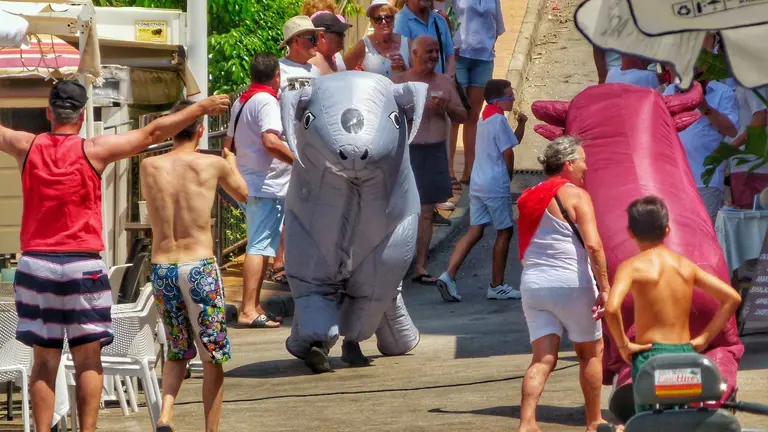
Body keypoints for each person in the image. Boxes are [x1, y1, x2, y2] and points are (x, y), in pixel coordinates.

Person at [0, 80, 228, 432]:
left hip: (37, 265)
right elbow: (152, 133)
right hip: (83, 265)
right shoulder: (94, 149)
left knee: (43, 362)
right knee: (88, 360)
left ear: (48, 113)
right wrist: (200, 108)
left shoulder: (26, 146)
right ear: (82, 116)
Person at [140, 100, 248, 432]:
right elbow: (243, 194)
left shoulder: (149, 166)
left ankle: (166, 415)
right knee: (212, 355)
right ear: (200, 130)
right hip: (199, 268)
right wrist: (232, 162)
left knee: (176, 348)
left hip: (163, 268)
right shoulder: (212, 164)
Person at [603, 195, 742, 414]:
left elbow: (611, 309)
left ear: (630, 232)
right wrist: (705, 338)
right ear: (667, 230)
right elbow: (732, 298)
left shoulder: (630, 267)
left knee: (650, 419)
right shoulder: (685, 266)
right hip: (685, 353)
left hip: (651, 355)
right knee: (683, 416)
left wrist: (623, 345)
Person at [515, 136, 610, 432]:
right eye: (582, 161)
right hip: (571, 282)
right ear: (568, 164)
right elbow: (593, 246)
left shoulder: (528, 195)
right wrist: (605, 287)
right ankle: (594, 421)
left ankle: (527, 422)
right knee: (590, 353)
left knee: (542, 359)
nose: (586, 167)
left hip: (533, 284)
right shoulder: (576, 195)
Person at [436, 79, 525, 301]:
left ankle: (448, 275)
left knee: (475, 230)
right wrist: (508, 177)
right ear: (497, 100)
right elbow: (508, 152)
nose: (513, 98)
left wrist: (521, 124)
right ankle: (497, 285)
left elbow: (511, 141)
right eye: (509, 95)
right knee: (505, 231)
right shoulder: (499, 120)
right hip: (494, 185)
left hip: (478, 183)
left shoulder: (485, 119)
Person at [224, 53, 294, 329]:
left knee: (262, 246)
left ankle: (253, 306)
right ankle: (247, 310)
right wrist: (300, 162)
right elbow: (270, 141)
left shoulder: (242, 100)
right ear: (277, 75)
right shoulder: (266, 101)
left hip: (250, 183)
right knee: (258, 247)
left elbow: (228, 144)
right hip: (265, 186)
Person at [393, 36, 467, 285]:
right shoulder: (400, 82)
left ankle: (420, 265)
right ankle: (396, 264)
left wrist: (447, 107)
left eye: (437, 51)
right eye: (429, 52)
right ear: (414, 53)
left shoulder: (444, 82)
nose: (434, 56)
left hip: (434, 152)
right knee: (402, 212)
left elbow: (463, 116)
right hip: (407, 153)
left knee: (426, 211)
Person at [663, 33, 738, 223]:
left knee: (706, 233)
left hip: (706, 182)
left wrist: (704, 106)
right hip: (674, 182)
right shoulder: (671, 91)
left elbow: (732, 130)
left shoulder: (723, 93)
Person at [448, 0, 506, 186]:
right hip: (459, 57)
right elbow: (446, 17)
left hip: (484, 59)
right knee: (455, 116)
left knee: (473, 116)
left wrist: (488, 45)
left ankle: (470, 170)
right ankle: (449, 171)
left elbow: (497, 26)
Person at [343, 0, 410, 78]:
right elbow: (341, 71)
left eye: (388, 17)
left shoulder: (406, 43)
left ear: (394, 19)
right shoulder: (364, 45)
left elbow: (419, 77)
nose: (384, 22)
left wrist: (405, 68)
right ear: (371, 22)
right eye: (378, 19)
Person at [393, 0, 456, 77]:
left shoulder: (439, 20)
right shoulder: (400, 21)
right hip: (415, 83)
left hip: (441, 83)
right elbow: (401, 63)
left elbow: (450, 54)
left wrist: (448, 78)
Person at [278, 15, 324, 93]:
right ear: (296, 41)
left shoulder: (315, 71)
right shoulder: (277, 70)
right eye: (313, 39)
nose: (317, 43)